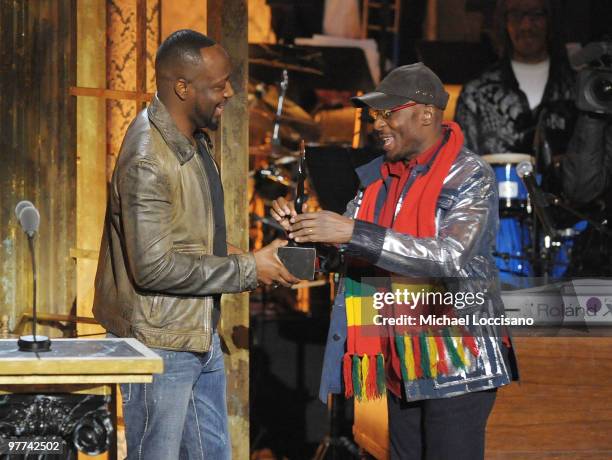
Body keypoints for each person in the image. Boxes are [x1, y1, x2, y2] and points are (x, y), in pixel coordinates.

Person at [272, 63, 517, 460]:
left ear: (426, 114)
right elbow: (346, 256)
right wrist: (302, 233)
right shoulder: (377, 179)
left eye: (388, 113)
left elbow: (447, 257)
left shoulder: (469, 174)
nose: (376, 124)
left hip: (457, 358)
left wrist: (352, 232)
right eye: (374, 115)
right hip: (401, 354)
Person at [92, 30, 298, 460]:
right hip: (160, 341)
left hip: (196, 333)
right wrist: (247, 269)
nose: (231, 92)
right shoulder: (148, 157)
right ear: (182, 87)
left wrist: (259, 259)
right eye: (219, 84)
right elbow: (153, 268)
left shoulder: (192, 139)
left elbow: (194, 238)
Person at [455, 0, 575, 163]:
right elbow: (463, 169)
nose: (526, 25)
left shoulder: (579, 90)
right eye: (516, 15)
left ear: (550, 20)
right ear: (504, 22)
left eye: (536, 14)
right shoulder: (476, 93)